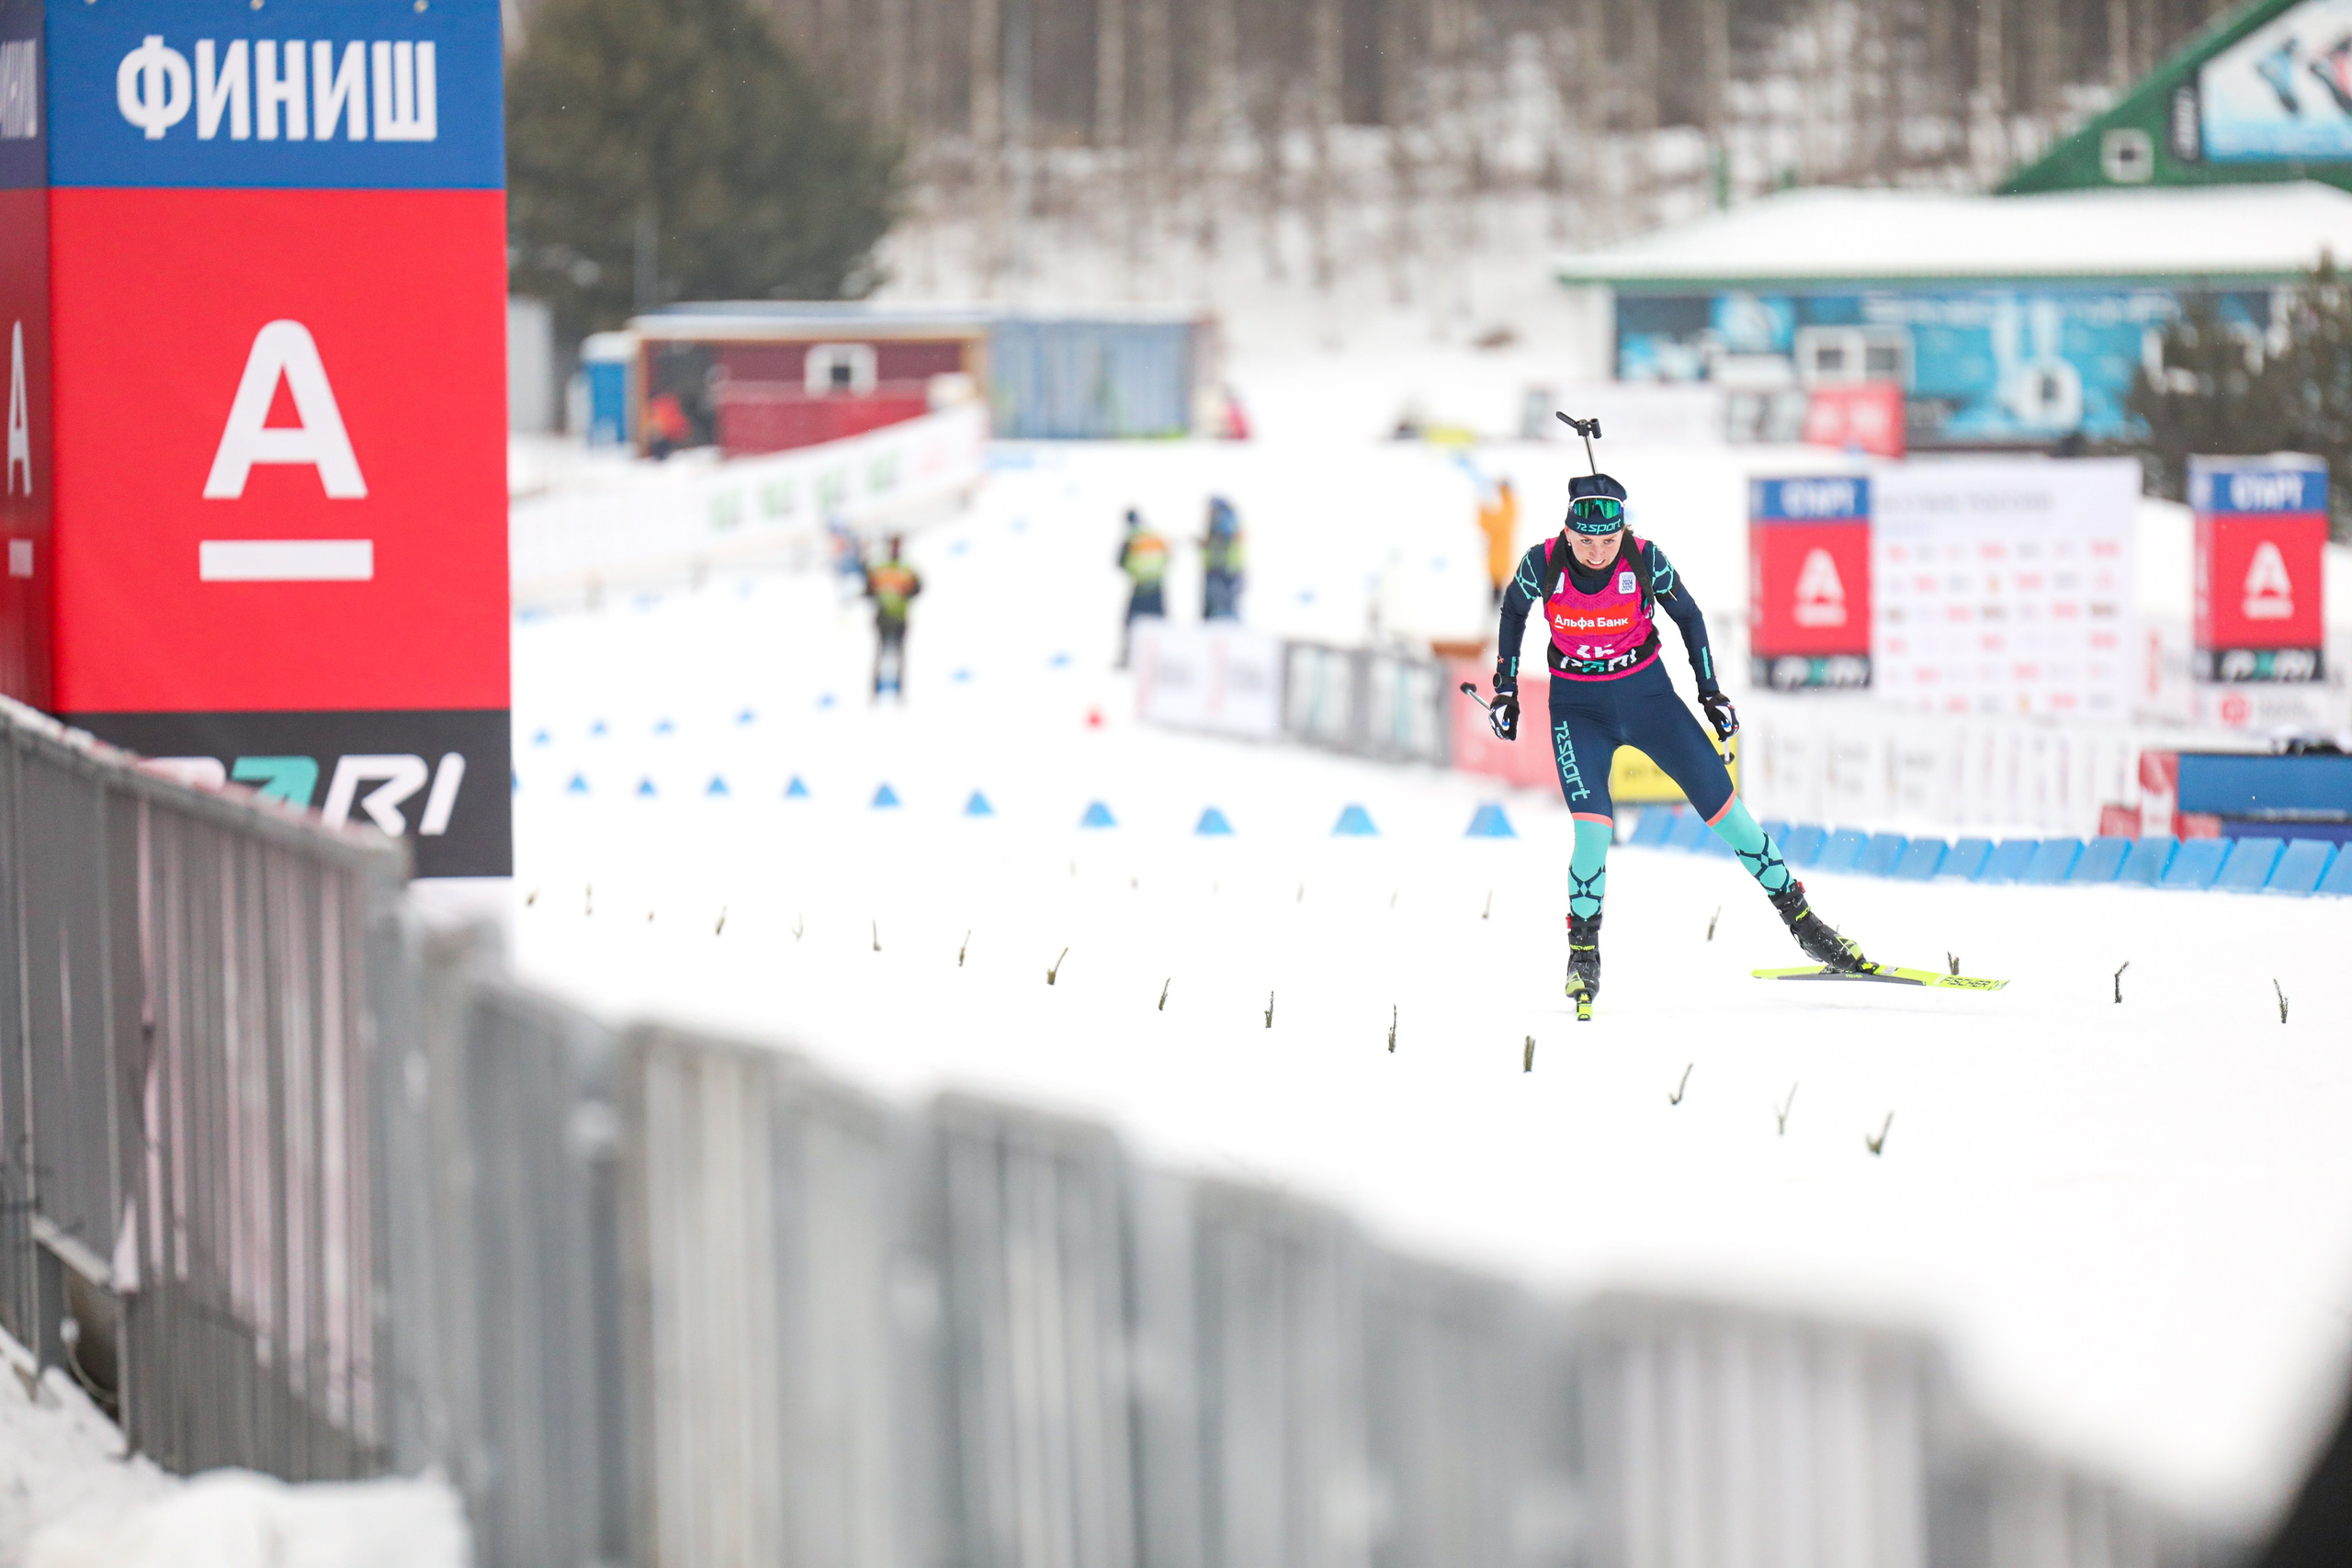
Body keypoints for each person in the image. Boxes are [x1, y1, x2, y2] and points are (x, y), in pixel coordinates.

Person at [1489, 472, 1869, 1017]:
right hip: (1578, 712)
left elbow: (1688, 616)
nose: (1597, 553)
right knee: (1593, 832)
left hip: (1650, 702)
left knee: (1732, 818)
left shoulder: (1644, 559)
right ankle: (1583, 955)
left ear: (1624, 532)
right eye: (1586, 541)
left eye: (1608, 540)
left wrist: (1710, 692)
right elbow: (1513, 611)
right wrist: (1505, 689)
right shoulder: (1542, 562)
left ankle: (1805, 924)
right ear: (1567, 532)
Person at [864, 536, 922, 700]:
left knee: (899, 653)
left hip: (900, 616)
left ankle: (899, 690)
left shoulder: (906, 568)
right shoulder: (879, 568)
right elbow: (869, 589)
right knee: (881, 653)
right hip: (883, 617)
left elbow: (917, 588)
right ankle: (875, 690)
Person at [1117, 508, 1169, 666]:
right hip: (1157, 585)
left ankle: (1128, 659)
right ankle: (1163, 657)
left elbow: (1119, 562)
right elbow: (1168, 557)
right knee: (1160, 624)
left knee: (1131, 623)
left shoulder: (1131, 538)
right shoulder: (1155, 535)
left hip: (1140, 587)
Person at [1201, 496, 1246, 621]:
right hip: (1224, 570)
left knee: (1221, 608)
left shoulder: (1223, 520)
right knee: (1223, 606)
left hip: (1224, 571)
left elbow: (1219, 544)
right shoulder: (1227, 520)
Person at [1478, 476, 1520, 606]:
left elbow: (1492, 523)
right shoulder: (1508, 505)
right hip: (1498, 554)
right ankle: (1497, 604)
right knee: (1497, 581)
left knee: (1498, 581)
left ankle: (1497, 605)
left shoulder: (1508, 507)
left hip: (1499, 553)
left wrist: (1483, 509)